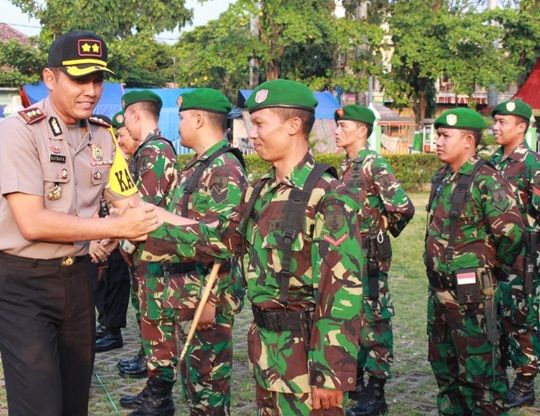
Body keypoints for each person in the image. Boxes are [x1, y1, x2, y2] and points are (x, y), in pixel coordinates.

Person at [140, 79, 364, 415]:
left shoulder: (328, 196)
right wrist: (146, 229)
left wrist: (332, 374)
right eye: (250, 123)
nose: (251, 133)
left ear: (293, 125)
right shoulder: (262, 192)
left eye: (259, 124)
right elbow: (222, 241)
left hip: (308, 359)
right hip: (268, 353)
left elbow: (341, 294)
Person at [0, 30, 158, 416]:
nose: (91, 90)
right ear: (50, 78)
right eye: (79, 78)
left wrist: (193, 226)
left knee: (74, 404)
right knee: (41, 406)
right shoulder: (19, 131)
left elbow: (129, 202)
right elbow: (32, 223)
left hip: (76, 282)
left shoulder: (102, 136)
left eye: (98, 79)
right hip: (19, 285)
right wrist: (114, 229)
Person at [122, 88, 247, 415]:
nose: (177, 125)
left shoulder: (224, 169)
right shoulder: (199, 167)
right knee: (195, 388)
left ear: (199, 119)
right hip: (189, 294)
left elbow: (224, 240)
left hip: (206, 299)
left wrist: (210, 300)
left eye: (181, 118)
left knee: (209, 393)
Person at [425, 107, 526, 415]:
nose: (438, 141)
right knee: (446, 373)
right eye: (437, 135)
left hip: (473, 300)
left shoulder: (486, 180)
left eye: (445, 136)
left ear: (468, 141)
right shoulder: (442, 177)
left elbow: (512, 234)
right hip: (440, 295)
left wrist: (490, 270)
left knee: (481, 378)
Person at [333, 105, 415, 416]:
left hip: (369, 258)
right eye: (337, 125)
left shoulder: (373, 164)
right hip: (349, 257)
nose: (338, 131)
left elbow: (403, 207)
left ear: (363, 131)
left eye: (345, 126)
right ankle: (355, 384)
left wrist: (384, 229)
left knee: (375, 321)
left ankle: (376, 390)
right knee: (351, 318)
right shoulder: (347, 165)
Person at [117, 90, 178, 381]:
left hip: (153, 247)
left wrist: (125, 243)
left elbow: (146, 203)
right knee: (144, 308)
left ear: (135, 115)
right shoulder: (148, 149)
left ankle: (157, 376)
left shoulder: (155, 150)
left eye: (126, 117)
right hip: (144, 247)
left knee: (155, 313)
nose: (124, 125)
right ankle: (147, 358)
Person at [490, 99, 540, 408]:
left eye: (502, 122)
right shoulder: (492, 161)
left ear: (521, 127)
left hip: (524, 258)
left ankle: (524, 383)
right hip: (495, 257)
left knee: (523, 319)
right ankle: (500, 376)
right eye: (494, 121)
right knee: (497, 317)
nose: (495, 127)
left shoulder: (532, 163)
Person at [92, 111, 132, 353]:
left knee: (114, 281)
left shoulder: (117, 159)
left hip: (114, 233)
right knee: (101, 284)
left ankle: (112, 330)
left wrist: (112, 235)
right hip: (97, 232)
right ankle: (105, 324)